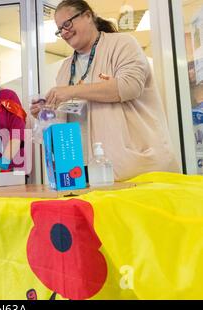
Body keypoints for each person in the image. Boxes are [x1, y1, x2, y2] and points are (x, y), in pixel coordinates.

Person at [30, 0, 180, 181]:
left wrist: (71, 91)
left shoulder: (122, 44)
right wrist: (46, 112)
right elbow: (68, 115)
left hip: (136, 168)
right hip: (82, 171)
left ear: (87, 16)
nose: (64, 32)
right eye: (60, 29)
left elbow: (129, 86)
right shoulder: (65, 67)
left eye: (67, 24)